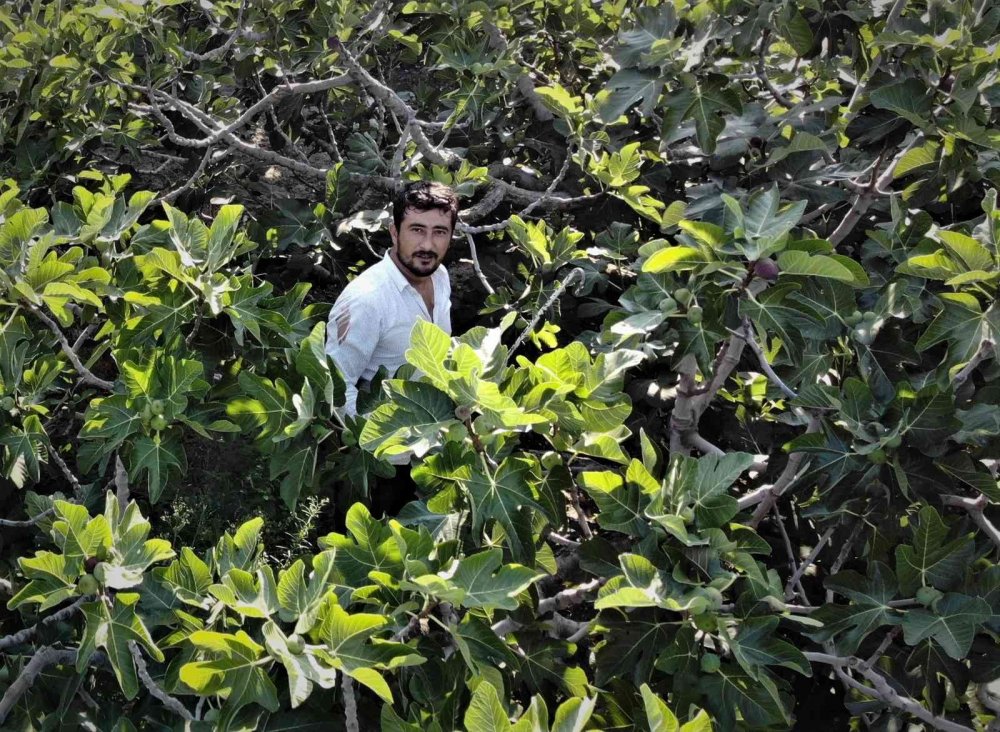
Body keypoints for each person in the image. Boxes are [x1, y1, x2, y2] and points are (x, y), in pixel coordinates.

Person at [325, 181, 458, 417]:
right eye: (417, 230)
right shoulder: (367, 299)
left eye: (439, 232)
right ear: (394, 232)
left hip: (437, 424)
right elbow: (336, 388)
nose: (427, 244)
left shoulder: (439, 276)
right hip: (391, 439)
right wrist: (388, 440)